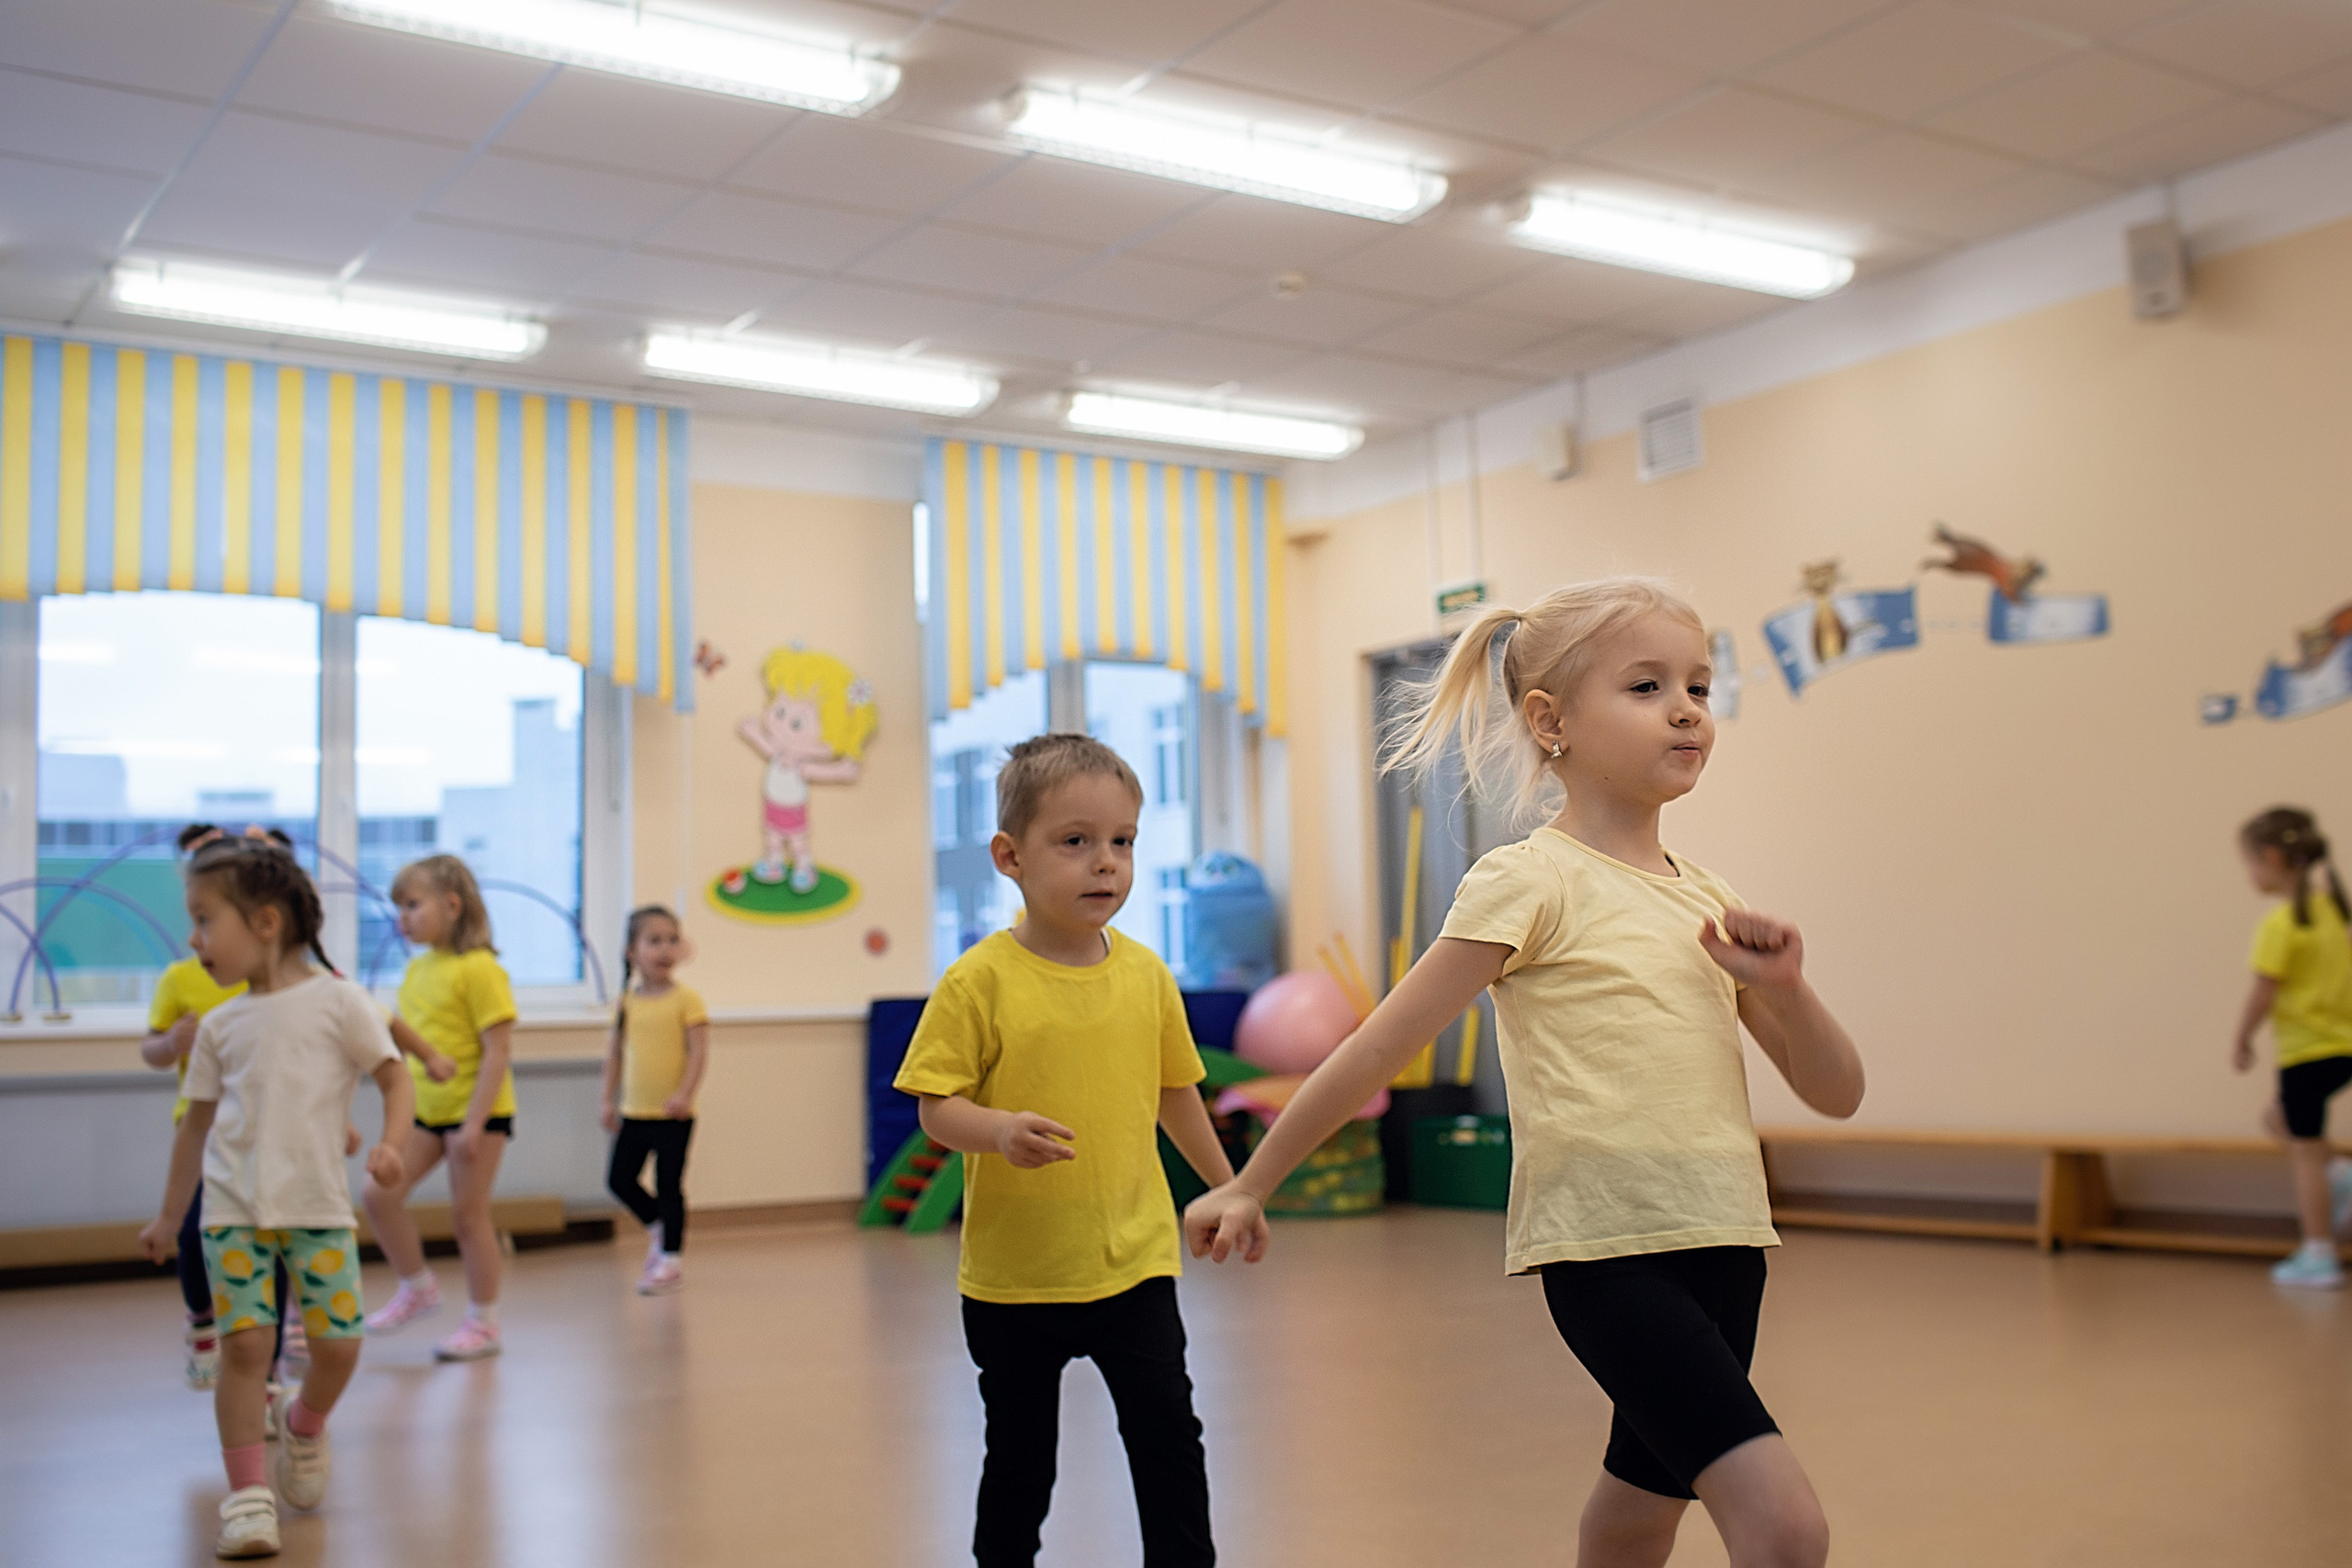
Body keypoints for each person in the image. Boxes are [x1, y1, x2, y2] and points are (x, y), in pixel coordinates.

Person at [1186, 579, 1866, 1568]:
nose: (1685, 709)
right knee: (1785, 1525)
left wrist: (1789, 989)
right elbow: (1379, 1045)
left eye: (1699, 687)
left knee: (1637, 1512)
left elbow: (1835, 1091)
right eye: (1645, 686)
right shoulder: (1528, 879)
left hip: (1727, 1245)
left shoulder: (1710, 899)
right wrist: (1250, 1184)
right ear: (1550, 722)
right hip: (1609, 1256)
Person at [893, 734, 1234, 1568]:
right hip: (1017, 1278)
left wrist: (1233, 1186)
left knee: (1168, 1442)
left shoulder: (1148, 975)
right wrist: (999, 1130)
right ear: (1010, 855)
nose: (1104, 864)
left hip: (1135, 1261)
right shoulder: (979, 981)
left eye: (1122, 842)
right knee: (1020, 1457)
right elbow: (938, 1109)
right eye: (1075, 841)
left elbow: (1174, 1093)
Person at [136, 836, 413, 1559]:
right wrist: (171, 1215)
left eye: (204, 920)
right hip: (232, 1213)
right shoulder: (220, 1026)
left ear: (264, 922)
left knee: (338, 1345)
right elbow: (195, 1127)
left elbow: (393, 1074)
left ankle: (307, 1425)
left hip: (318, 1209)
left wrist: (393, 1143)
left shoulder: (340, 1000)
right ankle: (249, 1499)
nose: (194, 939)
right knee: (247, 1349)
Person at [143, 825, 311, 1394]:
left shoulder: (304, 998)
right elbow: (156, 1053)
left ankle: (267, 1372)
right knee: (196, 1241)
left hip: (273, 1151)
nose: (195, 938)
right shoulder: (188, 986)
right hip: (212, 1145)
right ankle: (201, 1324)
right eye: (193, 920)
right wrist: (170, 1046)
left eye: (206, 920)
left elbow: (322, 1070)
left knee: (275, 1254)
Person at [360, 855, 515, 1360]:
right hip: (428, 1111)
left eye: (412, 905)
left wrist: (473, 1124)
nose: (401, 917)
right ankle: (417, 1287)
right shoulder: (417, 968)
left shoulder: (481, 968)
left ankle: (484, 1322)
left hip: (479, 1112)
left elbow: (498, 1051)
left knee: (469, 1217)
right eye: (397, 907)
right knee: (379, 1196)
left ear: (452, 906)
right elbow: (407, 1038)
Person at [2231, 807, 2352, 1288]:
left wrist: (2242, 1037)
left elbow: (2263, 990)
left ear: (2272, 858)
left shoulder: (2283, 924)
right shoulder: (2333, 914)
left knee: (2303, 1153)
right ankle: (2340, 1175)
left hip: (2307, 1051)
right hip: (2344, 1049)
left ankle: (2319, 1252)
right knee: (2277, 1120)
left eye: (2250, 864)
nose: (2249, 875)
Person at [599, 904, 709, 1294]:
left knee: (668, 1185)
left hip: (673, 1115)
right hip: (634, 1112)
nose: (665, 949)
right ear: (632, 952)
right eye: (654, 941)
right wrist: (606, 1100)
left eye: (672, 940)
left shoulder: (687, 1000)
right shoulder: (627, 1002)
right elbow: (615, 1054)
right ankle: (657, 1228)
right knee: (619, 1180)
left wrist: (684, 1095)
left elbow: (698, 1053)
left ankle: (671, 1259)